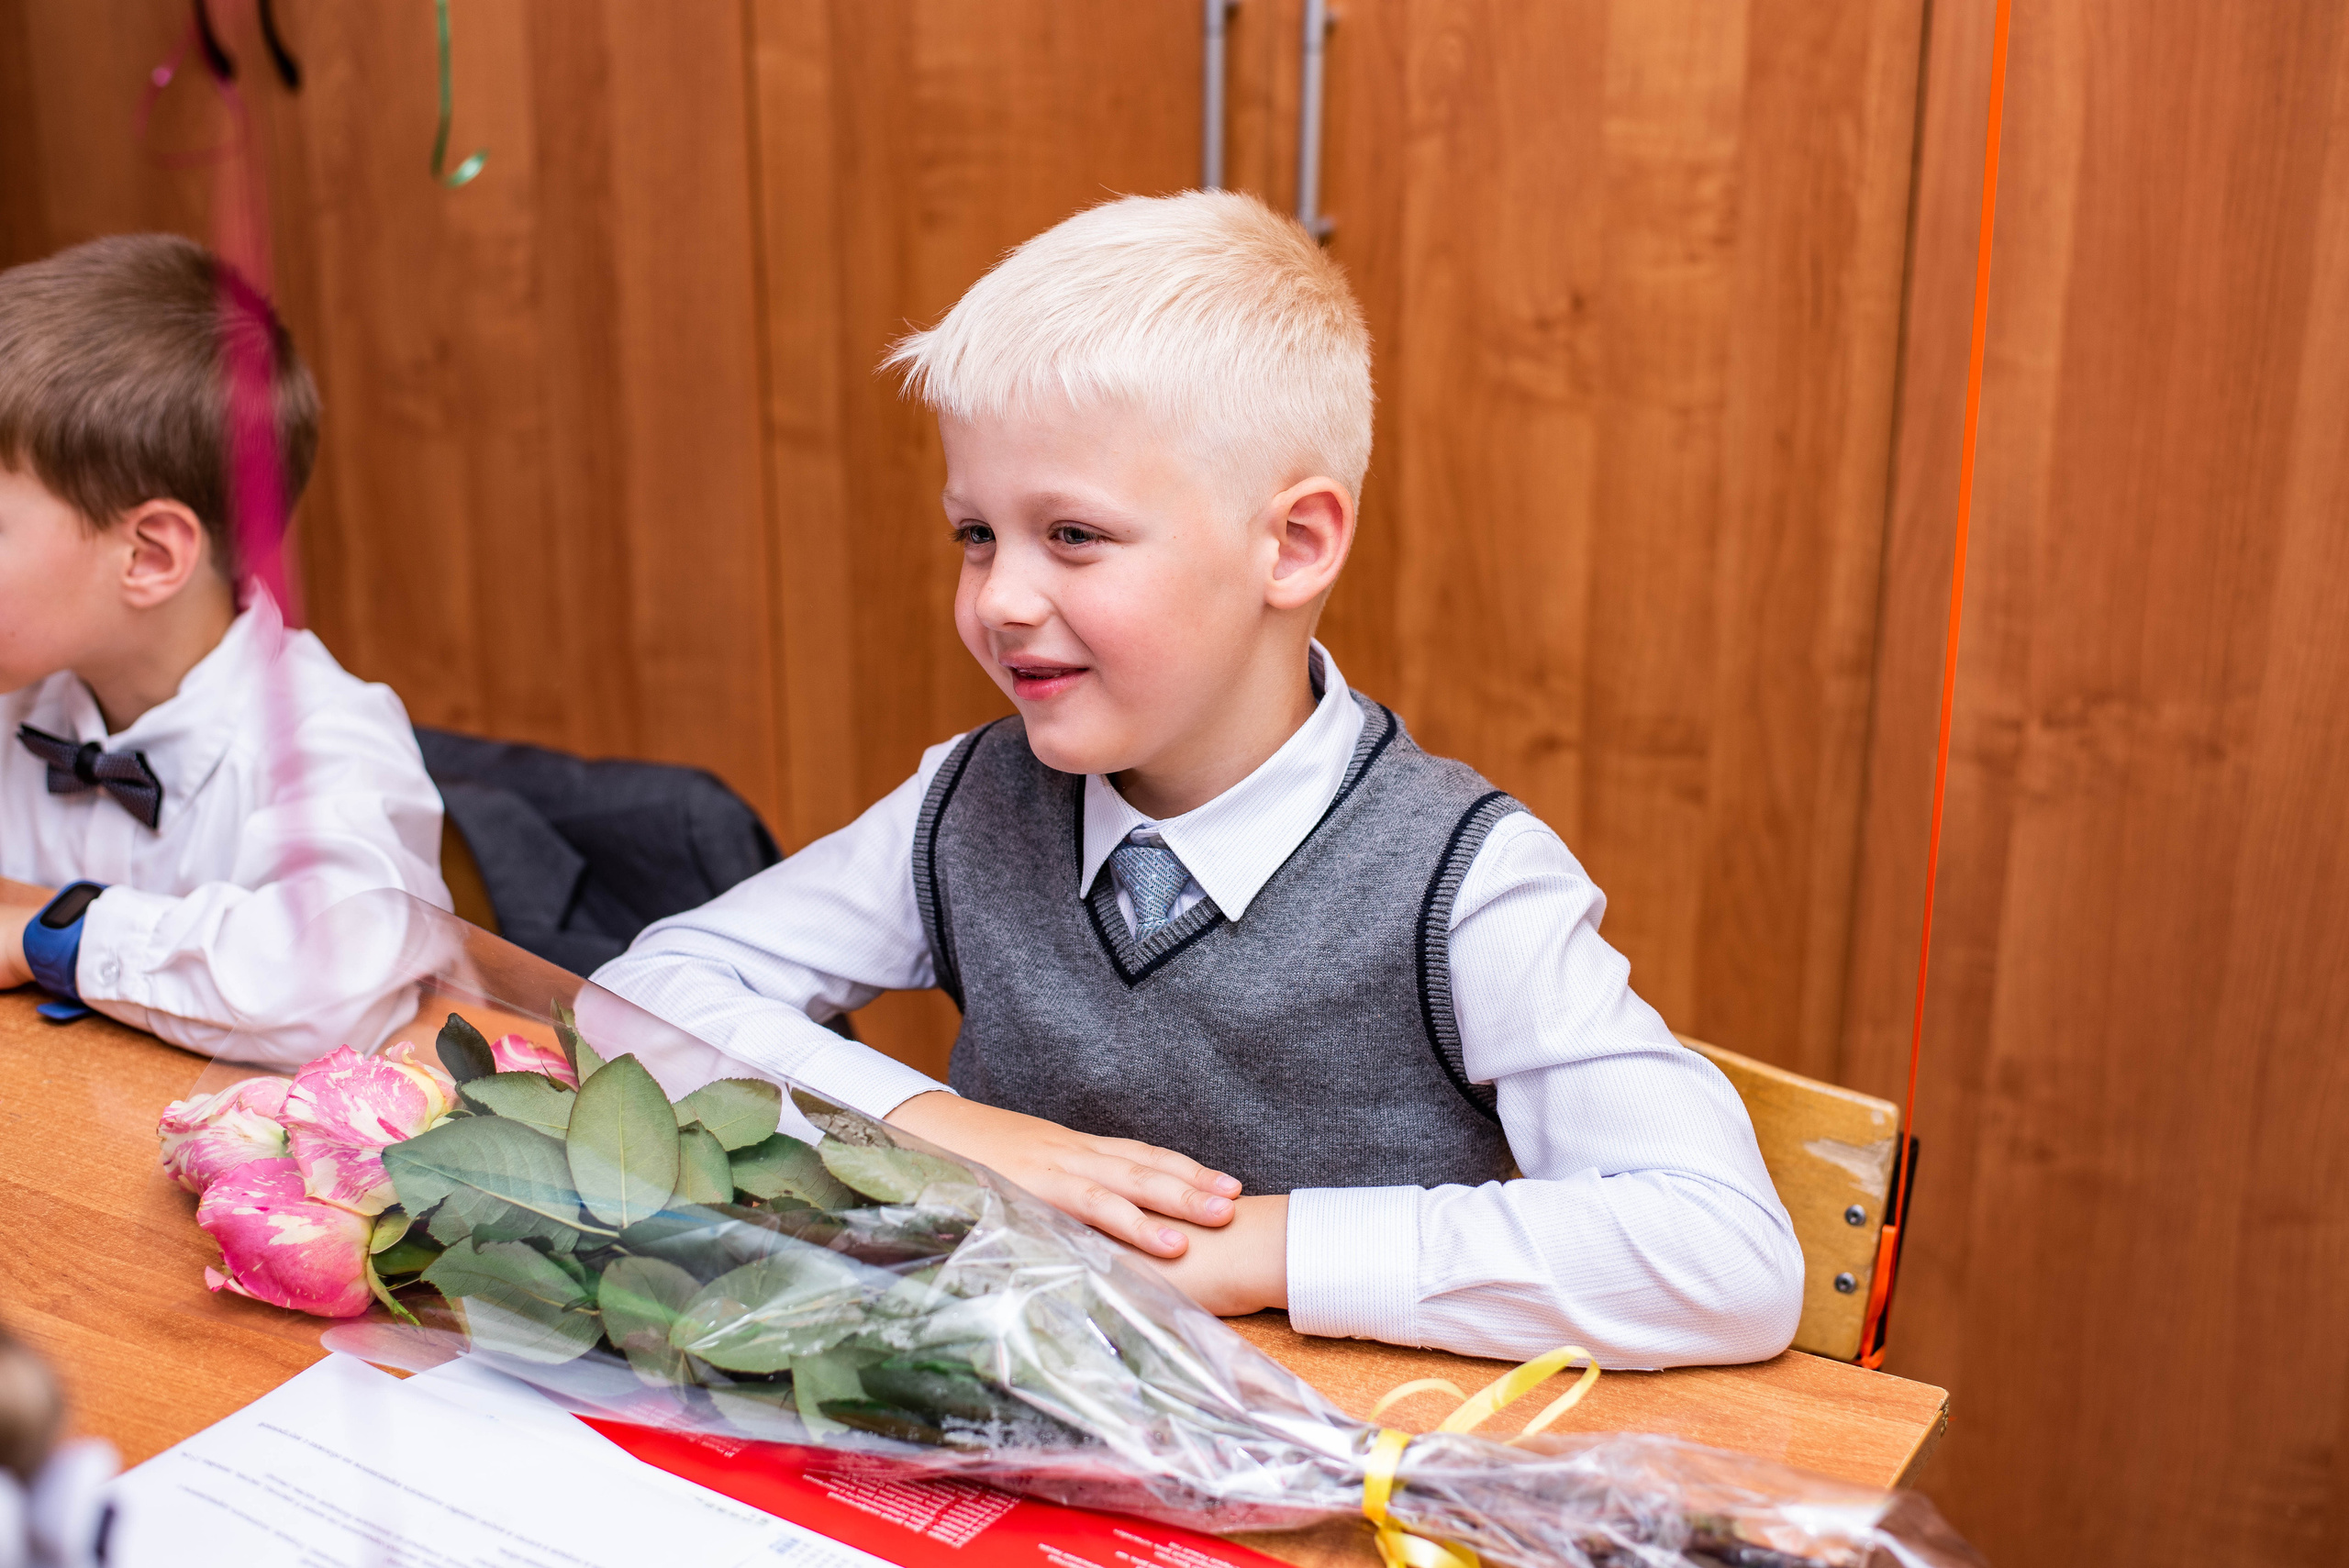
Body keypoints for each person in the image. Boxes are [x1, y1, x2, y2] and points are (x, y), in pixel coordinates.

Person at [594, 191, 1803, 1365]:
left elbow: (1726, 1255)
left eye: (1072, 535)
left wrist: (1253, 1252)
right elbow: (641, 996)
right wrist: (949, 1133)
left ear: (1292, 544)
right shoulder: (965, 807)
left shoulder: (1465, 883)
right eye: (977, 533)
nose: (1002, 598)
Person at [0, 234, 450, 1062]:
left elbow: (327, 984)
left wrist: (50, 928)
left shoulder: (328, 742)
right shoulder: (20, 697)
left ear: (150, 557)